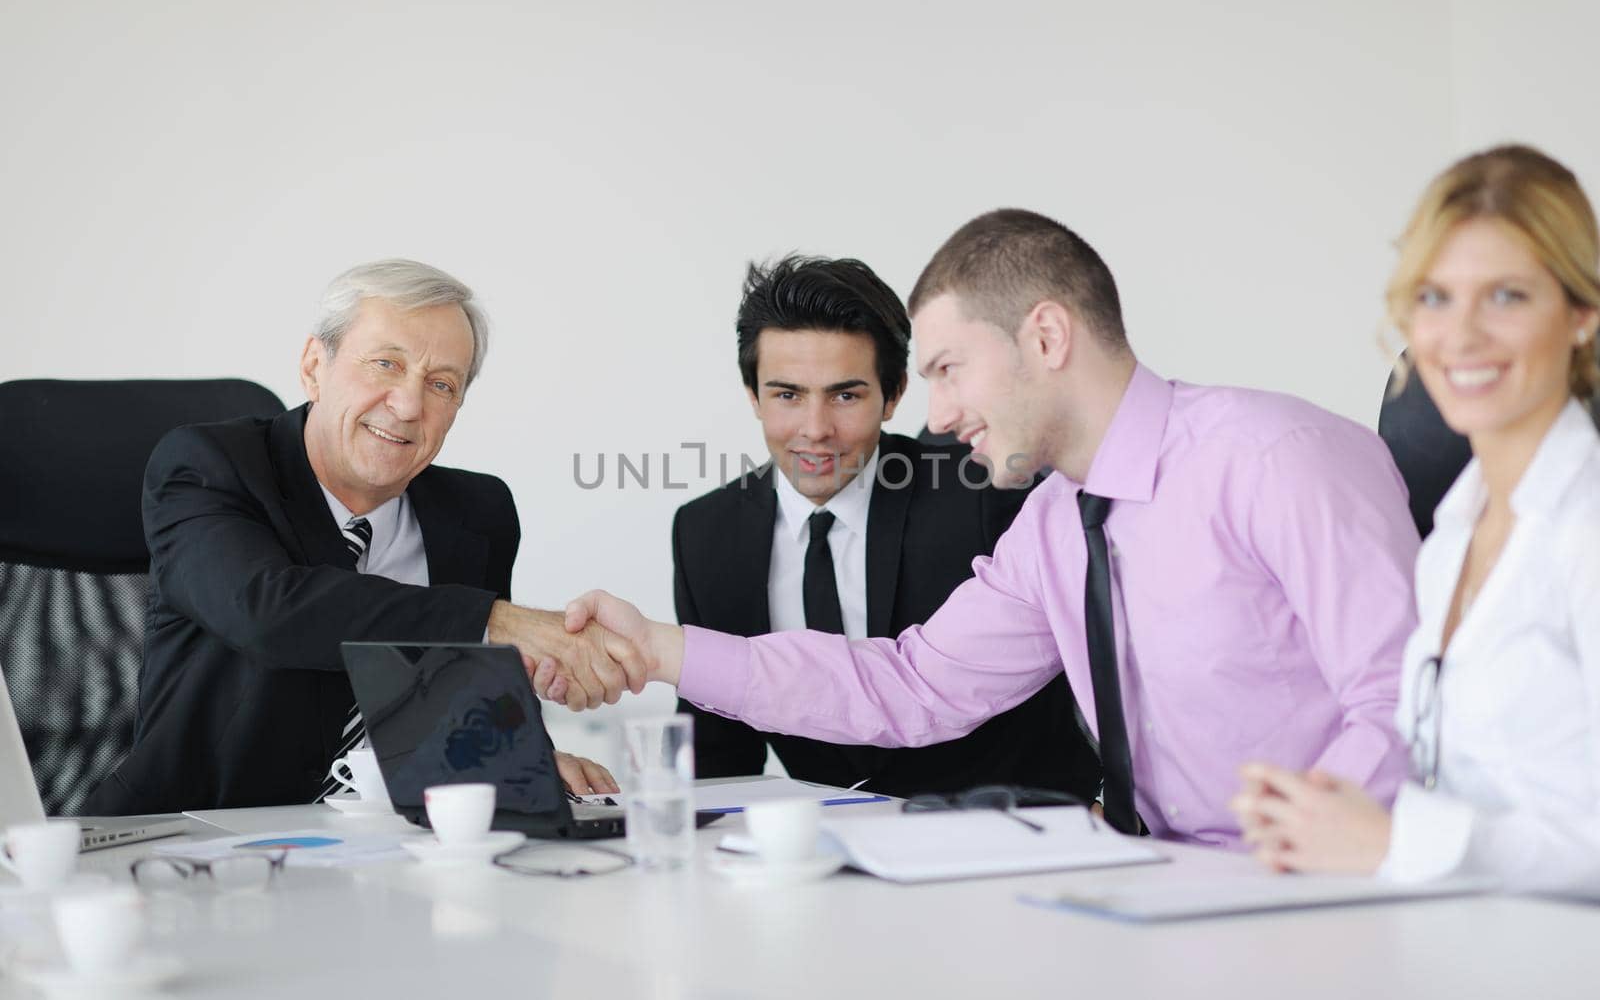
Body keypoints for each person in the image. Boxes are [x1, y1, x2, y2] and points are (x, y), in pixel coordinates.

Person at [561, 209, 1420, 846]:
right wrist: (660, 648)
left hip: (1309, 894)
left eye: (948, 370)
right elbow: (913, 685)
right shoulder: (1052, 523)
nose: (936, 417)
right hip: (1154, 885)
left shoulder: (1277, 456)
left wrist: (1293, 848)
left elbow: (1405, 701)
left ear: (1044, 336)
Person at [85, 260, 638, 814]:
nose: (408, 405)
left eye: (441, 384)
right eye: (384, 365)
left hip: (383, 847)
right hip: (196, 842)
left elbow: (465, 707)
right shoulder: (210, 467)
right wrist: (494, 621)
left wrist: (523, 764)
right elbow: (270, 611)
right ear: (313, 367)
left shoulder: (478, 512)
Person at [1231, 145, 1600, 890]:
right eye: (1435, 297)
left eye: (1507, 296)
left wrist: (1401, 839)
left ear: (1582, 316)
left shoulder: (1585, 532)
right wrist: (1330, 815)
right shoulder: (1449, 542)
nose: (1460, 335)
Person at [673, 254, 1099, 798]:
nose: (815, 429)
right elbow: (719, 754)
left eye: (845, 395)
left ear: (893, 395)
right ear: (753, 396)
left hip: (1007, 838)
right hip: (826, 859)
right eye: (787, 394)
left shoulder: (987, 491)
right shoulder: (706, 532)